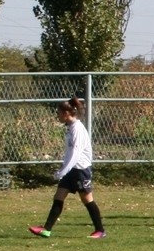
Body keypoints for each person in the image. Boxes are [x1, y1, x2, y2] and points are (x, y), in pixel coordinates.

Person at [29, 91, 106, 239]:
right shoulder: (70, 128)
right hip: (71, 170)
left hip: (80, 170)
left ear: (66, 113)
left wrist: (63, 171)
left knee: (87, 199)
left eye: (58, 113)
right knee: (59, 196)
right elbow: (70, 152)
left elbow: (76, 154)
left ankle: (100, 230)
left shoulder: (77, 129)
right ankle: (46, 229)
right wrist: (64, 169)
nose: (57, 115)